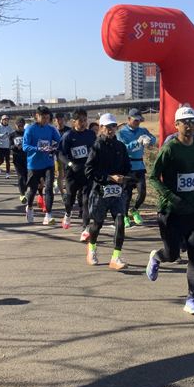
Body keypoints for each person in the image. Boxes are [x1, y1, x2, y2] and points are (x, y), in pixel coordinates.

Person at [146, 105, 194, 315]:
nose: (190, 125)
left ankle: (191, 298)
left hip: (192, 211)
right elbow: (153, 177)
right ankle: (157, 257)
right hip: (170, 212)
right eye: (185, 122)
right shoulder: (169, 149)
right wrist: (170, 197)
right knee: (172, 254)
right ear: (176, 125)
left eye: (193, 121)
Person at [84, 113, 131, 270]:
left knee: (120, 222)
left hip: (117, 192)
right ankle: (92, 248)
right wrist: (110, 177)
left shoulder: (120, 147)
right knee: (97, 224)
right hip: (100, 191)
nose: (110, 129)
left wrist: (125, 178)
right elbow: (89, 171)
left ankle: (115, 257)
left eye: (113, 126)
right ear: (101, 127)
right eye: (107, 126)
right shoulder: (96, 146)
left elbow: (127, 167)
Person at [117, 108, 157, 227]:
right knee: (127, 194)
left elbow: (153, 139)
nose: (138, 123)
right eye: (135, 120)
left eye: (139, 120)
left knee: (142, 192)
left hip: (139, 166)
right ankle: (125, 216)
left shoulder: (143, 130)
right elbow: (123, 148)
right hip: (127, 167)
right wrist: (137, 142)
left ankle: (134, 209)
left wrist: (149, 140)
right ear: (129, 119)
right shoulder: (121, 133)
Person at [59, 108, 96, 232]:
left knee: (86, 201)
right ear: (73, 122)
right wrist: (70, 163)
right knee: (70, 198)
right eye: (80, 120)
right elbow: (60, 154)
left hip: (87, 172)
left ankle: (85, 229)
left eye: (85, 120)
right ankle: (68, 213)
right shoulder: (68, 136)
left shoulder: (91, 134)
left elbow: (96, 151)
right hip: (72, 172)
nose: (83, 123)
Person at [22, 106, 60, 225]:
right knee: (33, 189)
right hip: (34, 164)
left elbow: (59, 141)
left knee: (48, 188)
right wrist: (38, 149)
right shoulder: (30, 129)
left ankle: (48, 214)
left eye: (47, 118)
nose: (45, 120)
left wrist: (54, 148)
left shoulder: (51, 129)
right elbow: (25, 147)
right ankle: (29, 207)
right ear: (37, 116)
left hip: (48, 163)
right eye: (43, 118)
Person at [9, 117, 28, 203]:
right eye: (19, 126)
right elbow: (10, 146)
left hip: (27, 158)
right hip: (17, 158)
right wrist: (16, 147)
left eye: (22, 126)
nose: (20, 127)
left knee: (27, 176)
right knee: (20, 176)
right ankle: (22, 194)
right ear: (15, 125)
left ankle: (25, 189)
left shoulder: (27, 134)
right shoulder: (12, 135)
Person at [53, 111, 71, 200]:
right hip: (57, 155)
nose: (60, 121)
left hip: (68, 156)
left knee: (67, 175)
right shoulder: (53, 131)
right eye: (57, 120)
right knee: (60, 175)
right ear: (55, 121)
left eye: (61, 119)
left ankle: (68, 192)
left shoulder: (69, 130)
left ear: (64, 120)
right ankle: (63, 194)